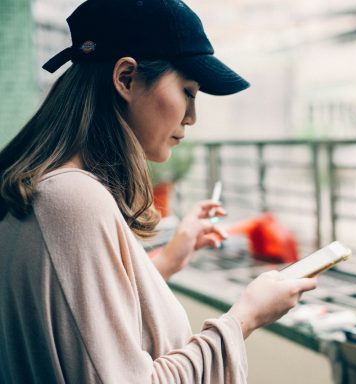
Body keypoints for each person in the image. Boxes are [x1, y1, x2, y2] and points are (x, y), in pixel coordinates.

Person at [0, 0, 317, 383]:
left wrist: (169, 258)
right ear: (127, 79)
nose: (192, 116)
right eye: (188, 90)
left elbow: (82, 316)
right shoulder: (72, 200)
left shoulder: (44, 189)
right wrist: (244, 317)